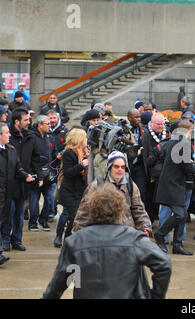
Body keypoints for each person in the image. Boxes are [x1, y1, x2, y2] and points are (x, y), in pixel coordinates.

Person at [43, 183, 171, 299]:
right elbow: (163, 264)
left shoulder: (75, 242)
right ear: (120, 208)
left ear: (92, 208)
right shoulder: (134, 239)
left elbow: (58, 284)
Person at [72, 151, 152, 235]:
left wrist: (145, 228)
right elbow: (83, 214)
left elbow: (139, 209)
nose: (120, 169)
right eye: (116, 166)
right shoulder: (97, 185)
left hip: (126, 235)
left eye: (123, 167)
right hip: (103, 236)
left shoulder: (131, 185)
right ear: (110, 167)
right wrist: (77, 237)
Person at [153, 121, 195, 256]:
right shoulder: (183, 143)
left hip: (173, 183)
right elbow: (187, 167)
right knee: (179, 214)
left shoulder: (173, 141)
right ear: (188, 131)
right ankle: (160, 235)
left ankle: (177, 245)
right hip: (173, 185)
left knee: (182, 215)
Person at [0, 122, 35, 261]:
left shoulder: (11, 149)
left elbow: (17, 168)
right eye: (7, 133)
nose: (9, 135)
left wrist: (26, 175)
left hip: (8, 193)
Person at [53, 128, 89, 248]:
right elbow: (68, 172)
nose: (86, 140)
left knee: (75, 217)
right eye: (85, 137)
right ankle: (65, 239)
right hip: (69, 191)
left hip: (79, 191)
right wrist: (81, 165)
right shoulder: (69, 153)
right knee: (72, 217)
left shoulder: (84, 152)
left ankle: (68, 240)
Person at [28, 115, 59, 232]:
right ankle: (32, 223)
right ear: (40, 125)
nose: (50, 126)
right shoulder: (31, 137)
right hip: (35, 173)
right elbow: (29, 158)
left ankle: (43, 219)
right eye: (47, 124)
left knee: (50, 198)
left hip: (48, 175)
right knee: (34, 201)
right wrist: (32, 174)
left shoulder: (50, 136)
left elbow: (54, 151)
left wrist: (58, 156)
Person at [142, 112, 170, 222]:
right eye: (158, 124)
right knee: (149, 197)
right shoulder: (146, 135)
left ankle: (156, 215)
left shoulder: (166, 133)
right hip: (151, 172)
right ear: (152, 123)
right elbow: (146, 158)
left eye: (162, 124)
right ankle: (150, 219)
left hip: (164, 171)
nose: (161, 126)